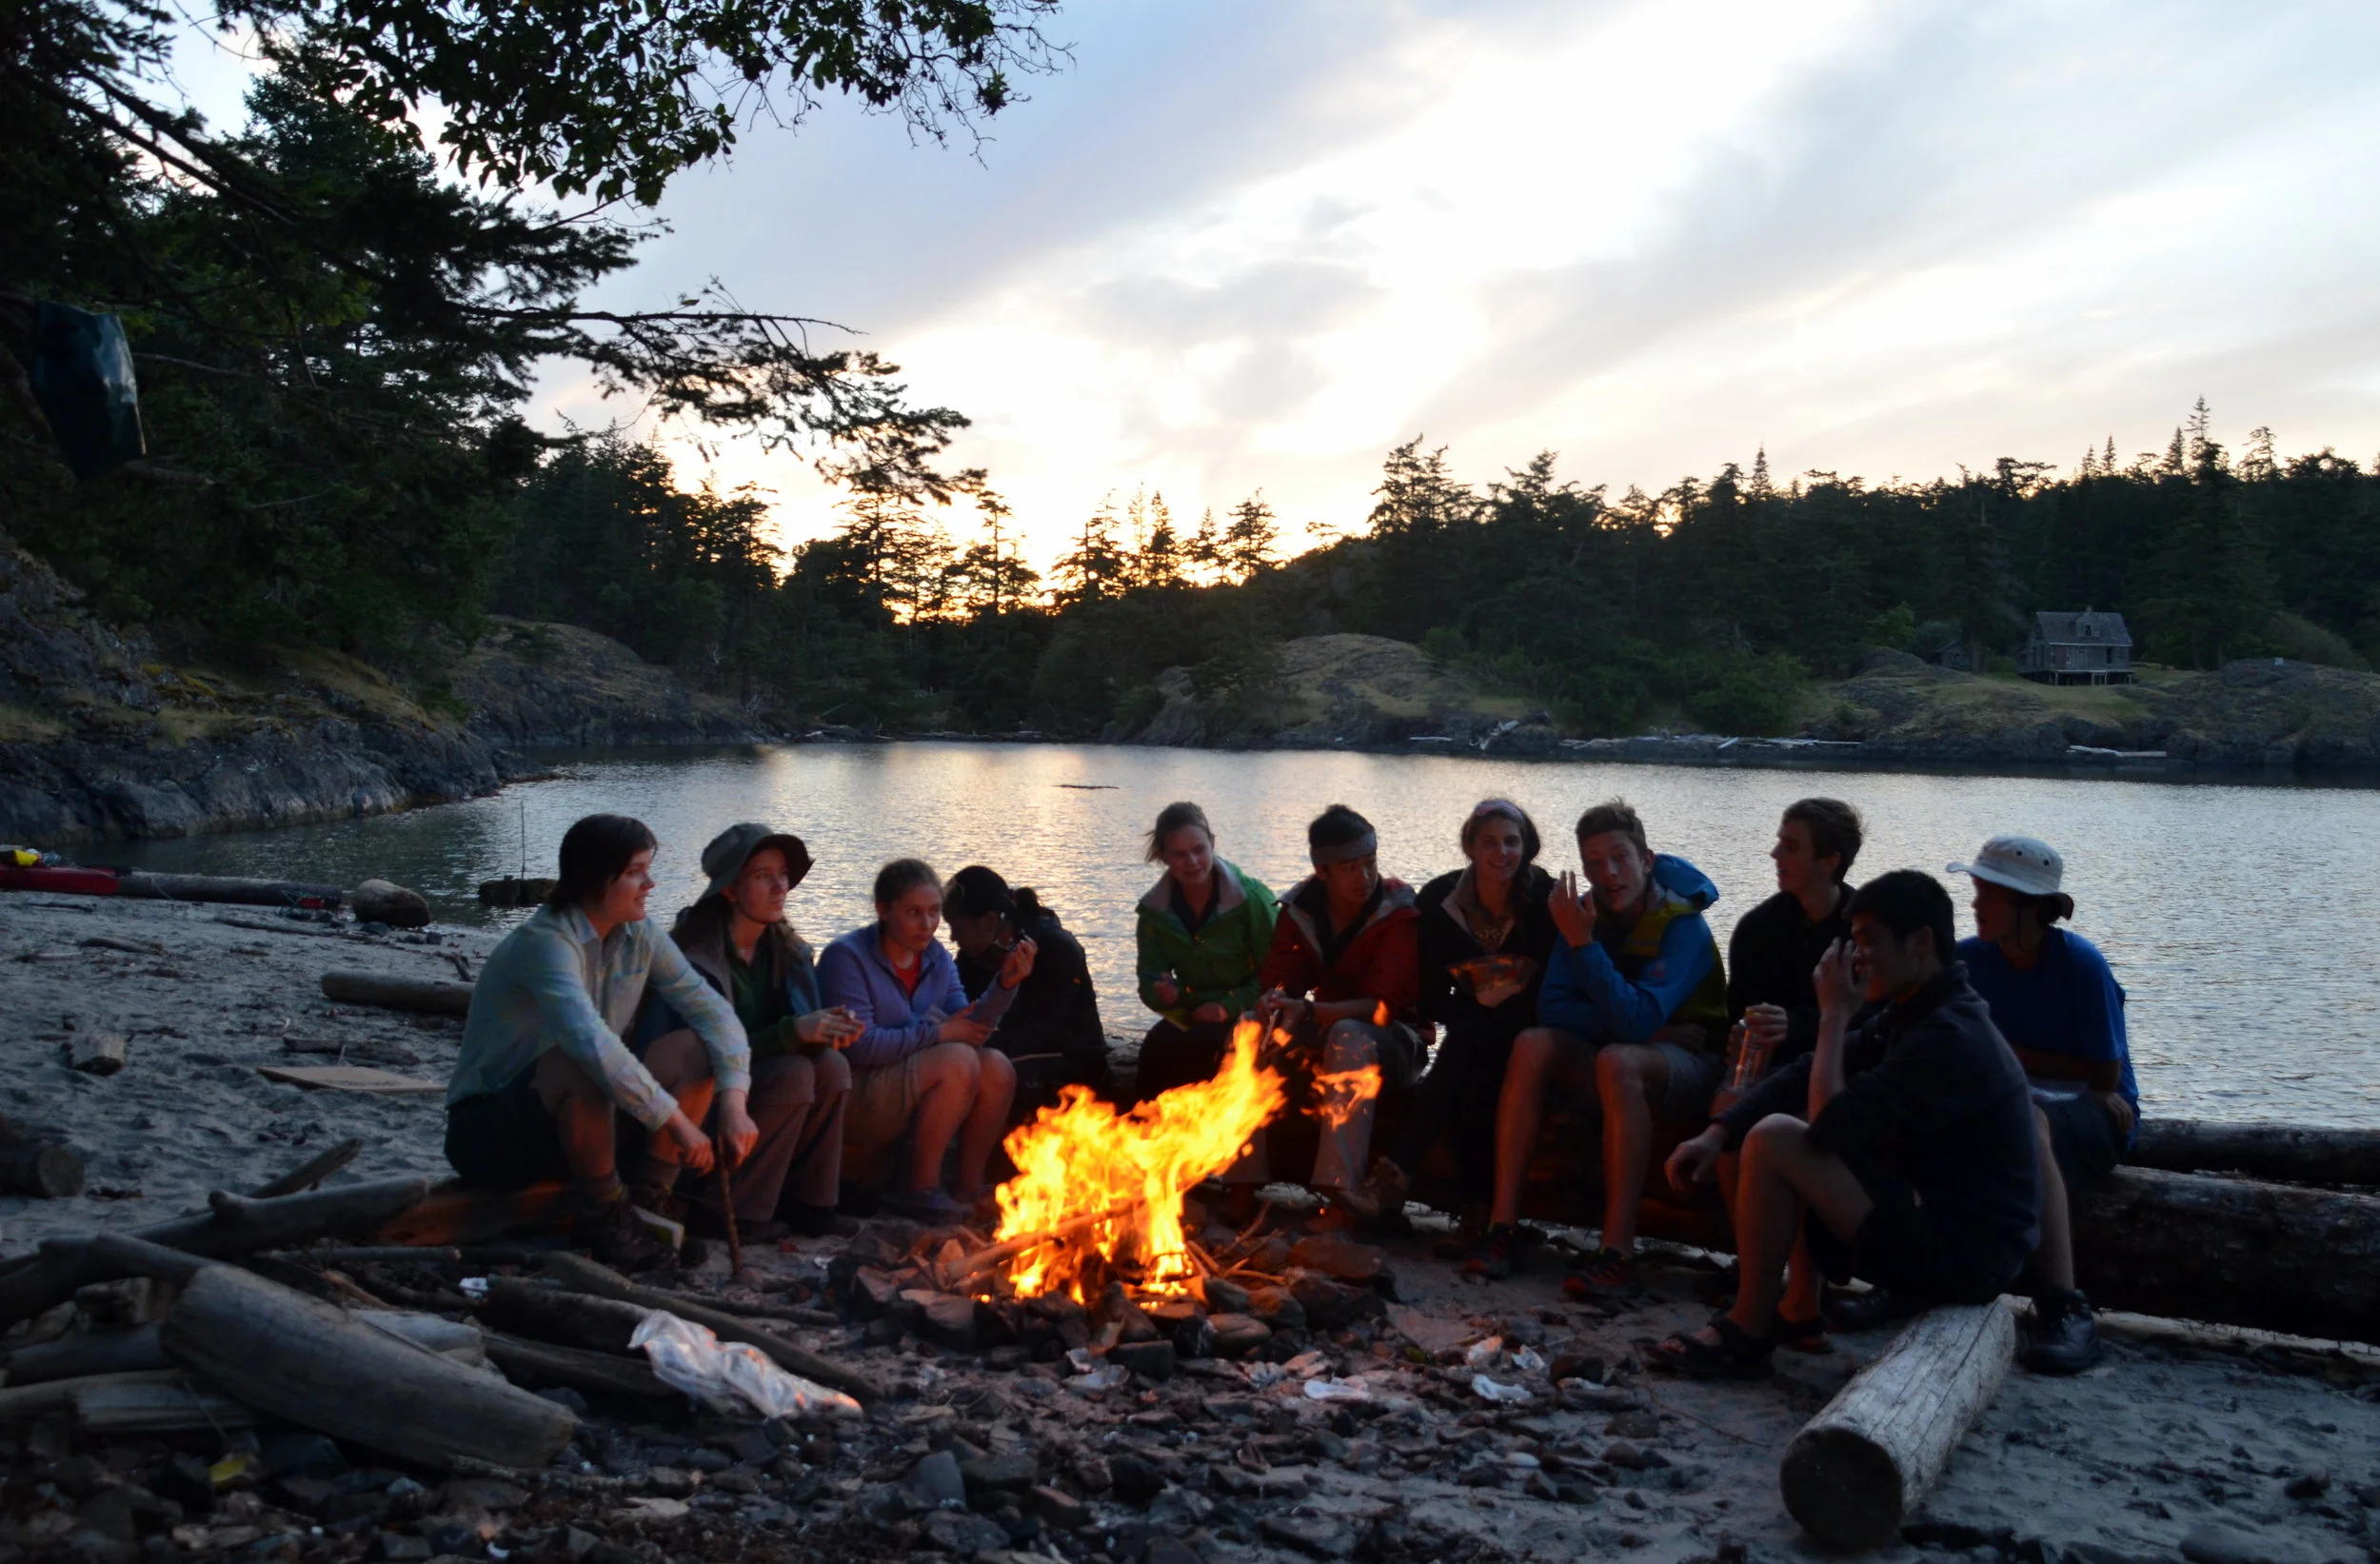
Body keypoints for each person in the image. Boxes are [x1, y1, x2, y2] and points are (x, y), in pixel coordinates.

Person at [1654, 871, 2041, 1378]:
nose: (1857, 958)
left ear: (1921, 942)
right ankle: (1797, 1308)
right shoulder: (1920, 1009)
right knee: (1778, 1125)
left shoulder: (1951, 1035)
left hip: (1966, 1257)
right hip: (1937, 1220)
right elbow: (1803, 1073)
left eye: (1868, 942)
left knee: (1776, 1138)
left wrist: (1835, 1014)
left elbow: (1827, 1131)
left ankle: (1748, 1328)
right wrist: (1718, 1132)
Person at [445, 814, 756, 1269]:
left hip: (589, 1123)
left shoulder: (640, 934)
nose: (650, 883)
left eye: (647, 869)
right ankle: (606, 1214)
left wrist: (734, 1100)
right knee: (581, 1061)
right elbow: (590, 1042)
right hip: (491, 1135)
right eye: (634, 872)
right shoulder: (546, 943)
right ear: (593, 878)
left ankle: (649, 1207)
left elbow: (711, 1011)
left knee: (694, 1048)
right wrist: (675, 1122)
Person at [1465, 799, 1727, 1294]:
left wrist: (1585, 950)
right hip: (1640, 1046)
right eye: (1593, 862)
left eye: (1619, 857)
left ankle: (1617, 1251)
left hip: (1691, 1062)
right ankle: (1502, 1227)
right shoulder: (1584, 915)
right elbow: (1554, 1010)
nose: (1608, 873)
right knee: (1533, 1043)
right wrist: (1647, 1030)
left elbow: (1637, 1017)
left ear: (1646, 860)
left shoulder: (1682, 924)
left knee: (1618, 1060)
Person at [1952, 834, 2138, 1375]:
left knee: (2028, 1120)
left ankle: (2063, 1305)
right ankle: (1914, 1275)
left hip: (2100, 1111)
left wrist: (2006, 1054)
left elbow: (2104, 1075)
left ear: (2029, 908)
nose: (1975, 905)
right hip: (2007, 1102)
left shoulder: (2081, 965)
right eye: (1977, 891)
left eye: (1988, 895)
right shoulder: (1968, 960)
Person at [638, 822, 863, 1242]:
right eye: (763, 876)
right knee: (793, 1074)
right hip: (695, 1105)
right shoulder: (691, 956)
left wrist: (826, 1030)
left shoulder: (787, 951)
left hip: (754, 1085)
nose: (781, 887)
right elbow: (700, 1054)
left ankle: (811, 1203)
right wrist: (792, 1032)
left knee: (831, 1067)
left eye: (782, 875)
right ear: (729, 890)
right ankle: (732, 1212)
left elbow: (794, 1033)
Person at [1705, 799, 1863, 1345]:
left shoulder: (1866, 929)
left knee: (1797, 1129)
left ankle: (1805, 1294)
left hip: (1847, 1072)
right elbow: (1739, 1019)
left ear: (1830, 861)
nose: (1774, 853)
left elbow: (1882, 1019)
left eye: (1790, 846)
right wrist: (1746, 1036)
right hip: (1769, 1070)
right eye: (1779, 841)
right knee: (1729, 1111)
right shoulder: (1758, 928)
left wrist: (1796, 1025)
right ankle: (1757, 1275)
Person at [1362, 799, 1559, 1220]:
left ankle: (1399, 1170)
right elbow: (1430, 993)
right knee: (1472, 1081)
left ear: (1526, 847)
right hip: (1470, 1035)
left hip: (1533, 1033)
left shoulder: (1545, 898)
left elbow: (1553, 986)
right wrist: (1470, 1016)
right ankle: (1476, 1212)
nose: (1501, 853)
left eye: (1511, 842)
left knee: (1466, 1050)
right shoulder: (1439, 900)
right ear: (1469, 845)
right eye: (1488, 842)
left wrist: (1483, 1019)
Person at [819, 859, 1037, 1223]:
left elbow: (968, 1026)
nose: (927, 925)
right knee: (957, 1060)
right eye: (914, 913)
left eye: (934, 912)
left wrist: (1005, 986)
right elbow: (858, 1045)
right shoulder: (846, 958)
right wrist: (936, 1034)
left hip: (907, 1079)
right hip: (856, 1090)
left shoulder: (935, 957)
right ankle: (921, 1190)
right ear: (883, 910)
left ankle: (968, 1186)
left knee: (995, 1067)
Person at [1242, 803, 1424, 1215]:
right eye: (1349, 868)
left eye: (1370, 863)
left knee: (1349, 1033)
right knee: (1249, 1027)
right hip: (1328, 1030)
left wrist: (1306, 1012)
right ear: (1321, 872)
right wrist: (1274, 1000)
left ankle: (1340, 1197)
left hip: (1397, 1043)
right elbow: (1281, 978)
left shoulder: (1398, 912)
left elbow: (1382, 1009)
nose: (1365, 877)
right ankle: (1241, 1182)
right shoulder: (1300, 909)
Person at [1132, 802, 1279, 1103]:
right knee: (1155, 1046)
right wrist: (1164, 994)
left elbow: (1281, 979)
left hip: (1254, 1011)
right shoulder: (1154, 913)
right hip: (1194, 1015)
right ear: (1163, 857)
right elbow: (1148, 982)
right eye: (1179, 854)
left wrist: (1228, 1006)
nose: (1193, 862)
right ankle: (1150, 1140)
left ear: (1212, 843)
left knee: (1211, 1049)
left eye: (1199, 849)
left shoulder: (1252, 900)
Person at [944, 865, 1109, 1120]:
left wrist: (969, 1045)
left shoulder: (1056, 949)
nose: (953, 937)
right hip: (1016, 1050)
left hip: (1070, 1063)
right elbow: (958, 1010)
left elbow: (1036, 1033)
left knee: (982, 1074)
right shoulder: (972, 957)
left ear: (989, 921)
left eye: (958, 928)